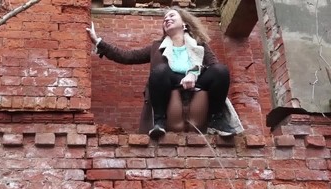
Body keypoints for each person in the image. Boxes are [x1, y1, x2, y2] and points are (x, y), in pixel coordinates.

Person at [86, 7, 237, 138]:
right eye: (165, 18)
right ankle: (159, 121)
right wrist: (99, 42)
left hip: (196, 82)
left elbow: (214, 66)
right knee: (159, 71)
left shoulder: (199, 45)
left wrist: (193, 73)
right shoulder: (156, 47)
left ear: (184, 24)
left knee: (220, 71)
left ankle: (217, 121)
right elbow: (127, 56)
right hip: (169, 83)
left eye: (172, 16)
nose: (167, 19)